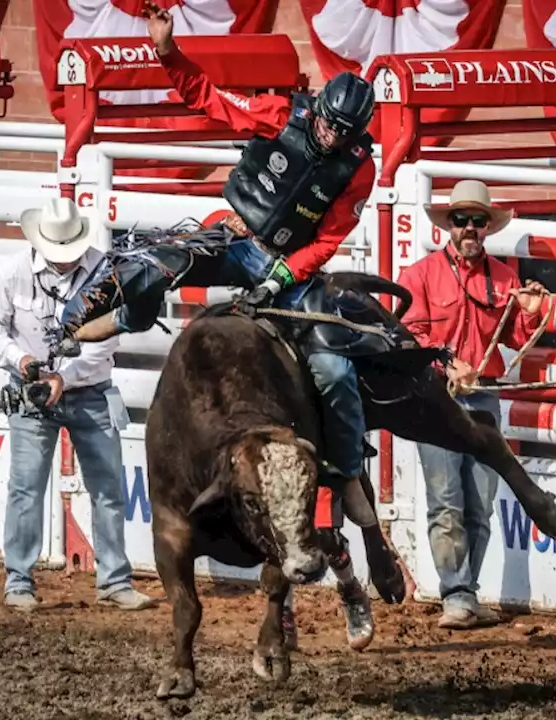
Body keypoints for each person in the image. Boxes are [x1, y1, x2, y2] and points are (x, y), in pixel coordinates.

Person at [68, 2, 378, 529]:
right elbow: (209, 99)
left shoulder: (358, 170)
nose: (328, 137)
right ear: (318, 109)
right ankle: (109, 313)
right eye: (327, 124)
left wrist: (283, 274)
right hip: (235, 233)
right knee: (161, 259)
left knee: (334, 370)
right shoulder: (282, 114)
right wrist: (167, 51)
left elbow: (329, 237)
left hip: (286, 267)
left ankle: (347, 473)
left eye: (341, 132)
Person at [0, 197, 155, 613]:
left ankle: (111, 581)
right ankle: (20, 580)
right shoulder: (14, 272)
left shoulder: (100, 271)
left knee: (106, 488)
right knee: (27, 488)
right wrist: (22, 361)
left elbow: (109, 339)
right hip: (35, 389)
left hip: (84, 390)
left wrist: (60, 377)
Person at [396, 180, 549, 629]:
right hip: (435, 398)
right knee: (447, 500)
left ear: (487, 227)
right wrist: (448, 364)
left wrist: (531, 311)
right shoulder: (420, 275)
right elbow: (410, 339)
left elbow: (518, 339)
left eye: (477, 221)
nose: (469, 228)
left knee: (478, 502)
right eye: (461, 220)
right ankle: (457, 596)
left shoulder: (504, 278)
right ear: (450, 226)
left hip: (482, 397)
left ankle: (465, 594)